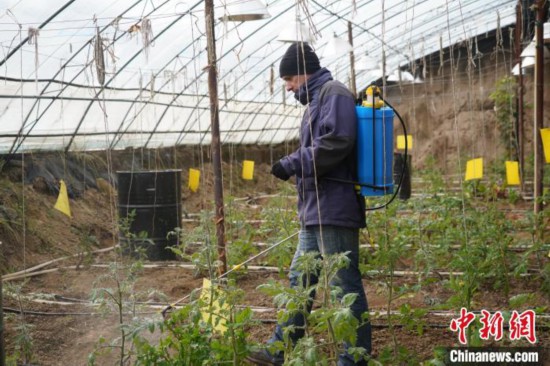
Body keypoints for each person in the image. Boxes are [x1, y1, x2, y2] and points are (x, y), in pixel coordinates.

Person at [246, 42, 371, 366]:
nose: (287, 87)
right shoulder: (317, 100)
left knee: (345, 286)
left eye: (289, 79)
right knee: (300, 280)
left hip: (335, 208)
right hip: (315, 209)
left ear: (304, 73)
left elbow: (336, 142)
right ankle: (279, 348)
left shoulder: (335, 93)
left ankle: (354, 358)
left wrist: (291, 162)